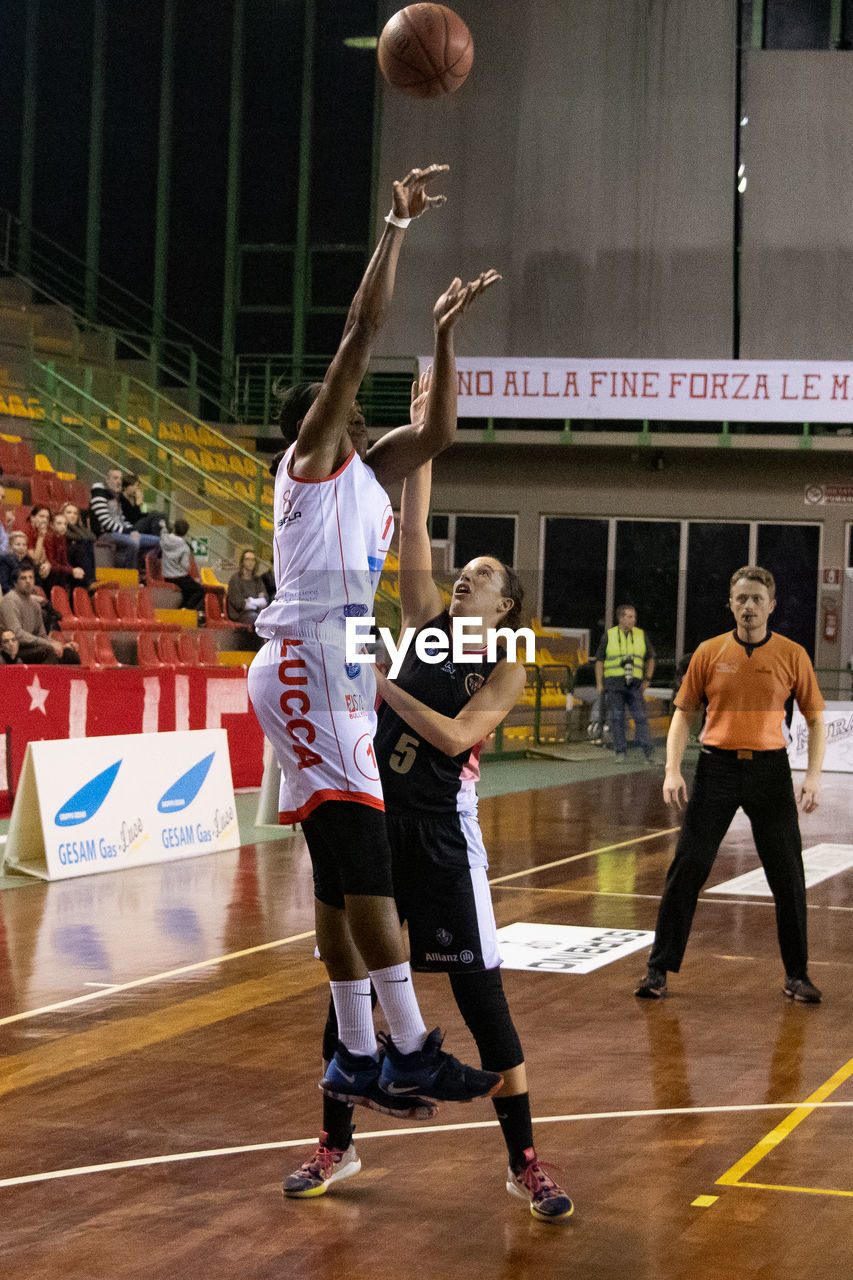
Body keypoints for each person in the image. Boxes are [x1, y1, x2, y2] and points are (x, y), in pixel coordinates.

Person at [248, 161, 504, 1143]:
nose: (352, 400)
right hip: (312, 654)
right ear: (317, 420)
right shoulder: (313, 461)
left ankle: (360, 1047)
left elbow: (436, 429)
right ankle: (398, 1037)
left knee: (335, 871)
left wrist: (442, 336)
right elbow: (356, 338)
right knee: (365, 857)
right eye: (339, 398)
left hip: (334, 664)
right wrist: (395, 228)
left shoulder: (370, 467)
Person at [284, 447, 574, 1222]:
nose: (466, 576)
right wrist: (424, 442)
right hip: (376, 825)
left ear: (506, 605)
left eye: (482, 573)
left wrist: (374, 680)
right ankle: (335, 1145)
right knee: (351, 995)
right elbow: (412, 523)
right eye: (464, 568)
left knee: (483, 1003)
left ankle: (525, 1164)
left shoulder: (507, 663)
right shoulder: (421, 625)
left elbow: (451, 738)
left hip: (445, 837)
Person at [635, 565, 826, 1003]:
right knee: (688, 868)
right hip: (716, 768)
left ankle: (797, 976)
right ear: (730, 603)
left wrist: (812, 777)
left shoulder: (792, 654)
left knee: (788, 875)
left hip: (770, 773)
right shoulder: (709, 651)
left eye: (758, 599)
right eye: (741, 599)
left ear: (772, 606)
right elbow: (683, 713)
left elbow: (815, 719)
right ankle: (657, 970)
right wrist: (671, 769)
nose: (749, 607)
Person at [594, 604, 656, 763]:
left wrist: (647, 679)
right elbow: (599, 660)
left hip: (634, 684)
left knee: (641, 717)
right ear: (620, 618)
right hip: (615, 683)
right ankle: (620, 752)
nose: (633, 620)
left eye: (634, 617)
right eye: (629, 616)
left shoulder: (641, 635)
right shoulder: (610, 635)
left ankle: (649, 752)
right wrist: (600, 683)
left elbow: (651, 658)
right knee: (617, 718)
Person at [0, 566, 80, 664]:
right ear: (15, 583)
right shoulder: (9, 601)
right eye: (23, 578)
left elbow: (42, 635)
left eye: (31, 578)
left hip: (33, 648)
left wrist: (61, 645)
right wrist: (48, 644)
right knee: (47, 651)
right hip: (13, 649)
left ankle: (65, 679)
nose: (28, 581)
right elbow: (17, 634)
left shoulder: (35, 605)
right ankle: (48, 679)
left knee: (70, 654)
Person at [88, 467, 162, 569]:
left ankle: (141, 565)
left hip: (118, 531)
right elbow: (106, 523)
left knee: (159, 541)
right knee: (133, 542)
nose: (119, 482)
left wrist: (131, 529)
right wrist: (127, 531)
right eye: (115, 478)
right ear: (107, 480)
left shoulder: (115, 495)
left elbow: (121, 517)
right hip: (105, 534)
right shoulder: (99, 495)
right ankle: (130, 572)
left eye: (120, 479)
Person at [159, 518, 206, 613]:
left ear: (174, 528)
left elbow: (163, 531)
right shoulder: (184, 547)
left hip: (166, 575)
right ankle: (186, 610)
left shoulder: (164, 538)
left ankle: (180, 610)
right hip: (178, 576)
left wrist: (163, 526)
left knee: (187, 591)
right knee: (199, 590)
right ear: (185, 533)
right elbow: (185, 565)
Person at [44, 509, 86, 599]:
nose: (63, 527)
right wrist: (71, 570)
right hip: (49, 574)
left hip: (58, 573)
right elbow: (52, 564)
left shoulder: (62, 537)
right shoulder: (48, 538)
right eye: (59, 523)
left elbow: (64, 561)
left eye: (65, 524)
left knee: (77, 578)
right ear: (52, 525)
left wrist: (73, 570)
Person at [226, 549, 270, 625]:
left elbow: (265, 601)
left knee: (271, 618)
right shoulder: (235, 579)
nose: (250, 562)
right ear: (242, 562)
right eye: (247, 559)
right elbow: (240, 604)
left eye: (253, 560)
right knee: (258, 619)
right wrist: (258, 602)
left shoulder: (257, 579)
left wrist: (250, 600)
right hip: (240, 615)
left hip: (255, 612)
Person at [61, 501, 97, 589]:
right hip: (65, 559)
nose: (72, 515)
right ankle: (89, 581)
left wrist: (74, 528)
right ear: (62, 514)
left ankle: (91, 580)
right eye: (69, 512)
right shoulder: (61, 528)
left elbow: (92, 537)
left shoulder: (81, 530)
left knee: (87, 544)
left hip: (77, 562)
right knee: (81, 546)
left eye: (75, 513)